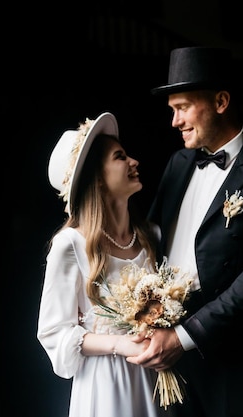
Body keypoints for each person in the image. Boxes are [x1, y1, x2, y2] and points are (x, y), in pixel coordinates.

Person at [126, 47, 243, 416]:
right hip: (167, 349)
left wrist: (186, 337)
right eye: (172, 110)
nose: (175, 121)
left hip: (231, 352)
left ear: (221, 102)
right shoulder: (178, 162)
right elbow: (151, 243)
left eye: (183, 107)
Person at [36, 112, 172, 417]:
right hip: (105, 384)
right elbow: (54, 331)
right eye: (120, 157)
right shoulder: (70, 244)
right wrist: (120, 345)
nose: (134, 161)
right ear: (97, 177)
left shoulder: (152, 235)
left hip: (152, 377)